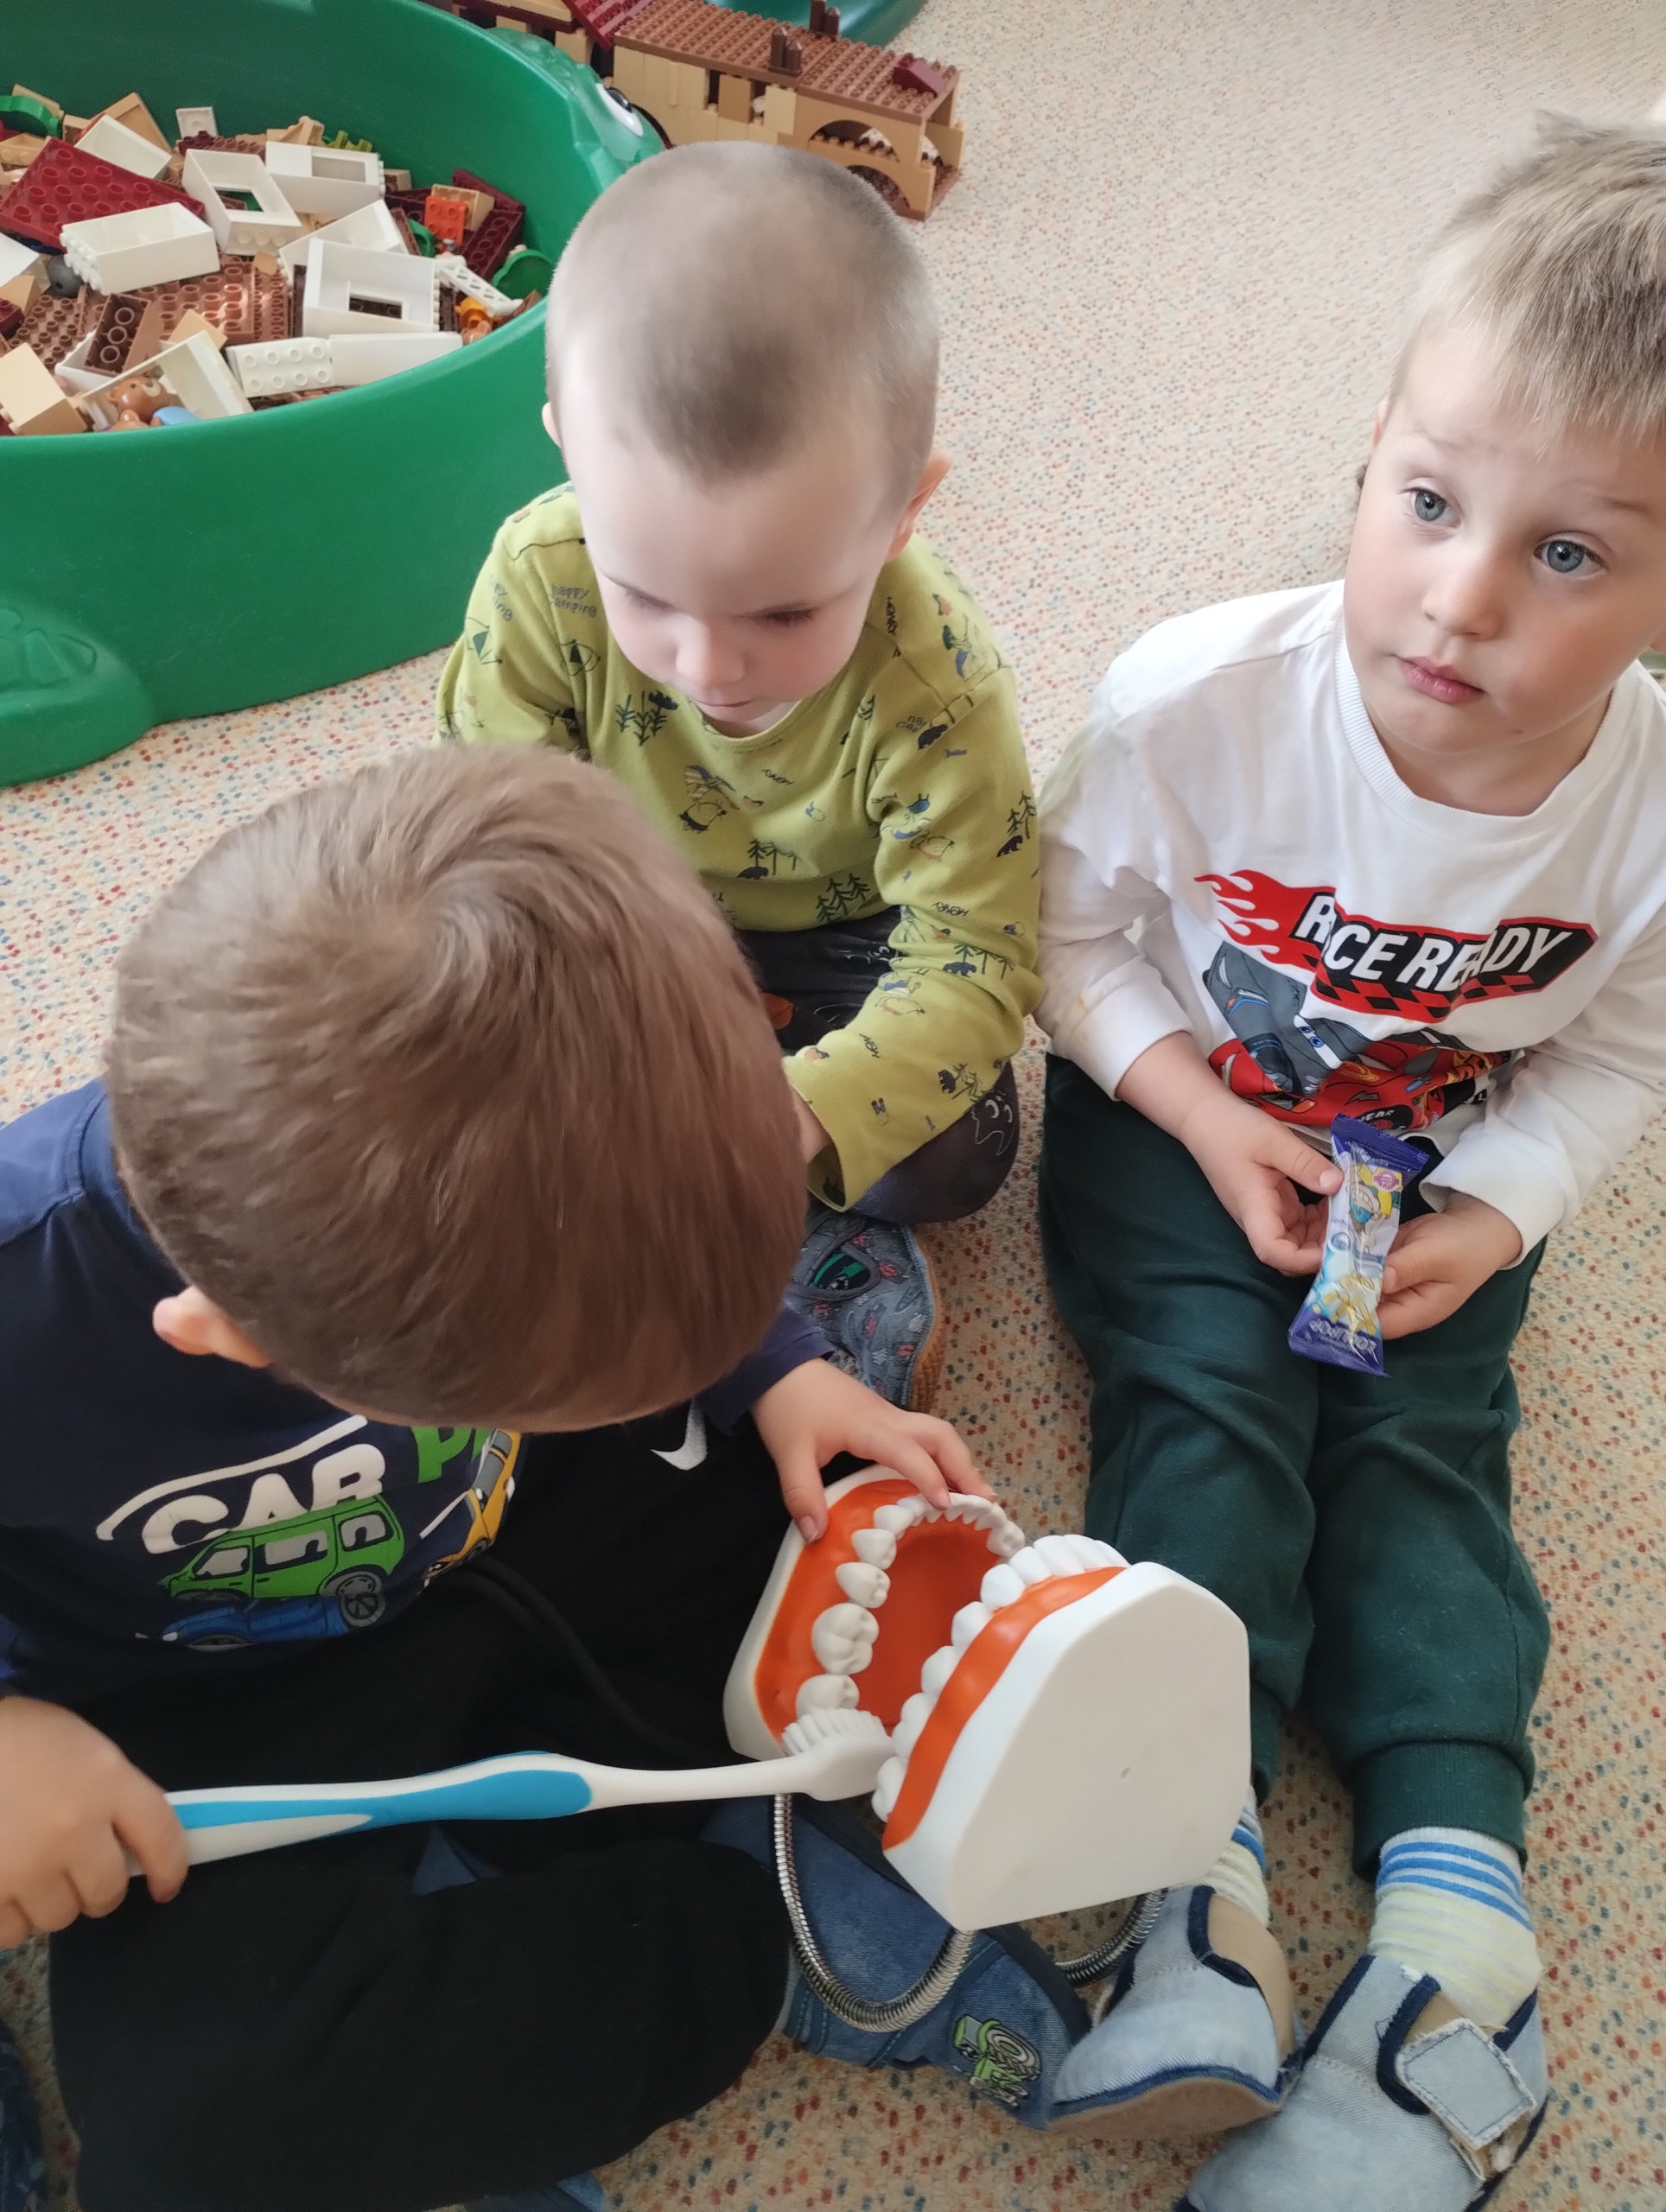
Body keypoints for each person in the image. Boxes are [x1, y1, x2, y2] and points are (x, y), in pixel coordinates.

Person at [0, 747, 1089, 2212]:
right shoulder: (27, 1294)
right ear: (238, 1344)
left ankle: (647, 1761)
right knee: (199, 2130)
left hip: (521, 1529)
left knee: (818, 1490)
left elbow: (637, 1225)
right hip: (207, 1698)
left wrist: (770, 1364)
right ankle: (761, 1929)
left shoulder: (521, 1182)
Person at [1034, 118, 1666, 2211]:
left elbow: (1616, 1052)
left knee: (1421, 1452)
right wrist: (1198, 1109)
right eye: (1427, 500)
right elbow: (1064, 939)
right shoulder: (1195, 700)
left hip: (1438, 1166)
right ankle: (1186, 1874)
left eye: (1569, 554)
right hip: (1180, 1110)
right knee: (1208, 1401)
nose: (1459, 596)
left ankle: (1461, 1934)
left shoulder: (1646, 817)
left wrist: (1498, 1212)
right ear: (1370, 449)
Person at [436, 142, 1042, 1414]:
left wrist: (794, 1116)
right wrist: (605, 1010)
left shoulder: (937, 679)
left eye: (784, 610)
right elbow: (493, 842)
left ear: (905, 511)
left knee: (954, 1155)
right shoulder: (537, 578)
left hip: (848, 944)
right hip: (619, 918)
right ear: (566, 452)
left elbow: (978, 959)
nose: (710, 667)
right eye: (645, 594)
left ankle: (790, 1208)